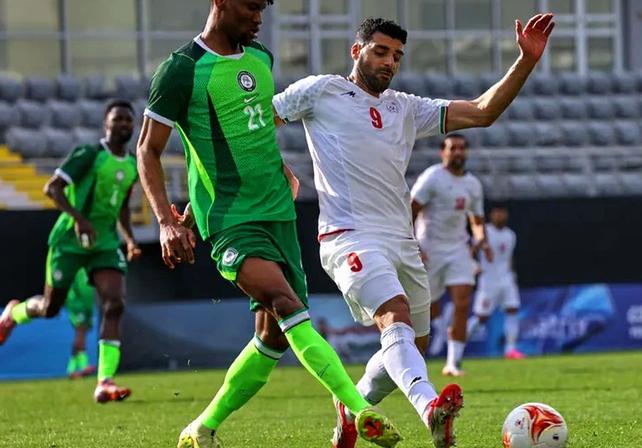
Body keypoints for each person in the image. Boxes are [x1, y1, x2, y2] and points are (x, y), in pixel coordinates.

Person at [272, 13, 554, 448]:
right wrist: (276, 169)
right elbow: (256, 126)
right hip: (348, 234)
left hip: (402, 242)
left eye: (397, 56)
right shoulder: (322, 90)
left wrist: (526, 61)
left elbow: (482, 112)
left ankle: (352, 408)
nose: (389, 63)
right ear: (357, 51)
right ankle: (430, 409)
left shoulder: (405, 107)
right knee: (394, 316)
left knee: (412, 345)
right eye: (381, 51)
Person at [136, 1, 401, 447]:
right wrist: (165, 219)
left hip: (278, 212)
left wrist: (277, 163)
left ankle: (201, 429)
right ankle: (359, 410)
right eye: (250, 5)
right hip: (231, 219)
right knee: (285, 301)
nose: (259, 16)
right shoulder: (181, 70)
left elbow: (251, 126)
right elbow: (147, 149)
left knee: (273, 337)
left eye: (263, 8)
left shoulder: (260, 56)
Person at [0, 100, 142, 403]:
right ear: (106, 124)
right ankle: (14, 312)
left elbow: (123, 208)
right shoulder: (88, 155)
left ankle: (105, 382)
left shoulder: (132, 164)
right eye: (117, 119)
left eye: (129, 120)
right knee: (51, 308)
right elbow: (52, 188)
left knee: (115, 304)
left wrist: (129, 239)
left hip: (104, 243)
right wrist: (80, 220)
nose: (124, 125)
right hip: (69, 240)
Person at [411, 134, 490, 377]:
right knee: (423, 307)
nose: (457, 152)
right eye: (452, 148)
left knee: (462, 302)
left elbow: (476, 219)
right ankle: (413, 361)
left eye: (461, 148)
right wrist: (412, 245)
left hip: (458, 249)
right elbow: (410, 211)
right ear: (442, 152)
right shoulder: (432, 177)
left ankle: (453, 363)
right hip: (429, 249)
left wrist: (480, 237)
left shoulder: (473, 184)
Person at [466, 203, 525, 359]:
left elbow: (509, 257)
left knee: (512, 310)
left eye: (503, 213)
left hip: (506, 280)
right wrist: (473, 266)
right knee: (481, 318)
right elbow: (471, 251)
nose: (500, 216)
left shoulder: (510, 235)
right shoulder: (484, 232)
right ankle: (458, 340)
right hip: (488, 281)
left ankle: (510, 349)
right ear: (491, 215)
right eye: (497, 213)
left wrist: (513, 275)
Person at [65, 268, 98, 379]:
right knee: (81, 331)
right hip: (77, 304)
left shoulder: (88, 269)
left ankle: (71, 369)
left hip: (86, 305)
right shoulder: (78, 268)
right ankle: (83, 365)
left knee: (81, 332)